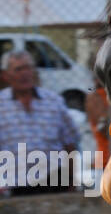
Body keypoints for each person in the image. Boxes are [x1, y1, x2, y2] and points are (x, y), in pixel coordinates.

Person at [0, 49, 80, 195]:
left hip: (55, 181)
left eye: (28, 68)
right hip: (16, 185)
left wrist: (72, 180)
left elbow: (70, 144)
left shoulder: (54, 101)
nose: (25, 73)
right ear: (5, 75)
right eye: (18, 69)